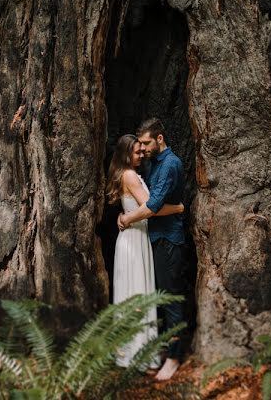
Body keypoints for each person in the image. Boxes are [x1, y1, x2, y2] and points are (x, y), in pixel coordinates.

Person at [107, 134, 184, 369]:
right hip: (134, 239)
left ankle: (136, 351)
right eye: (136, 151)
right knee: (136, 292)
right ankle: (137, 354)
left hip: (135, 237)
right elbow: (152, 209)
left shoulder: (131, 173)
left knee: (135, 292)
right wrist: (178, 207)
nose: (141, 154)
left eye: (142, 150)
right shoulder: (130, 175)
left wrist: (126, 217)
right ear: (125, 153)